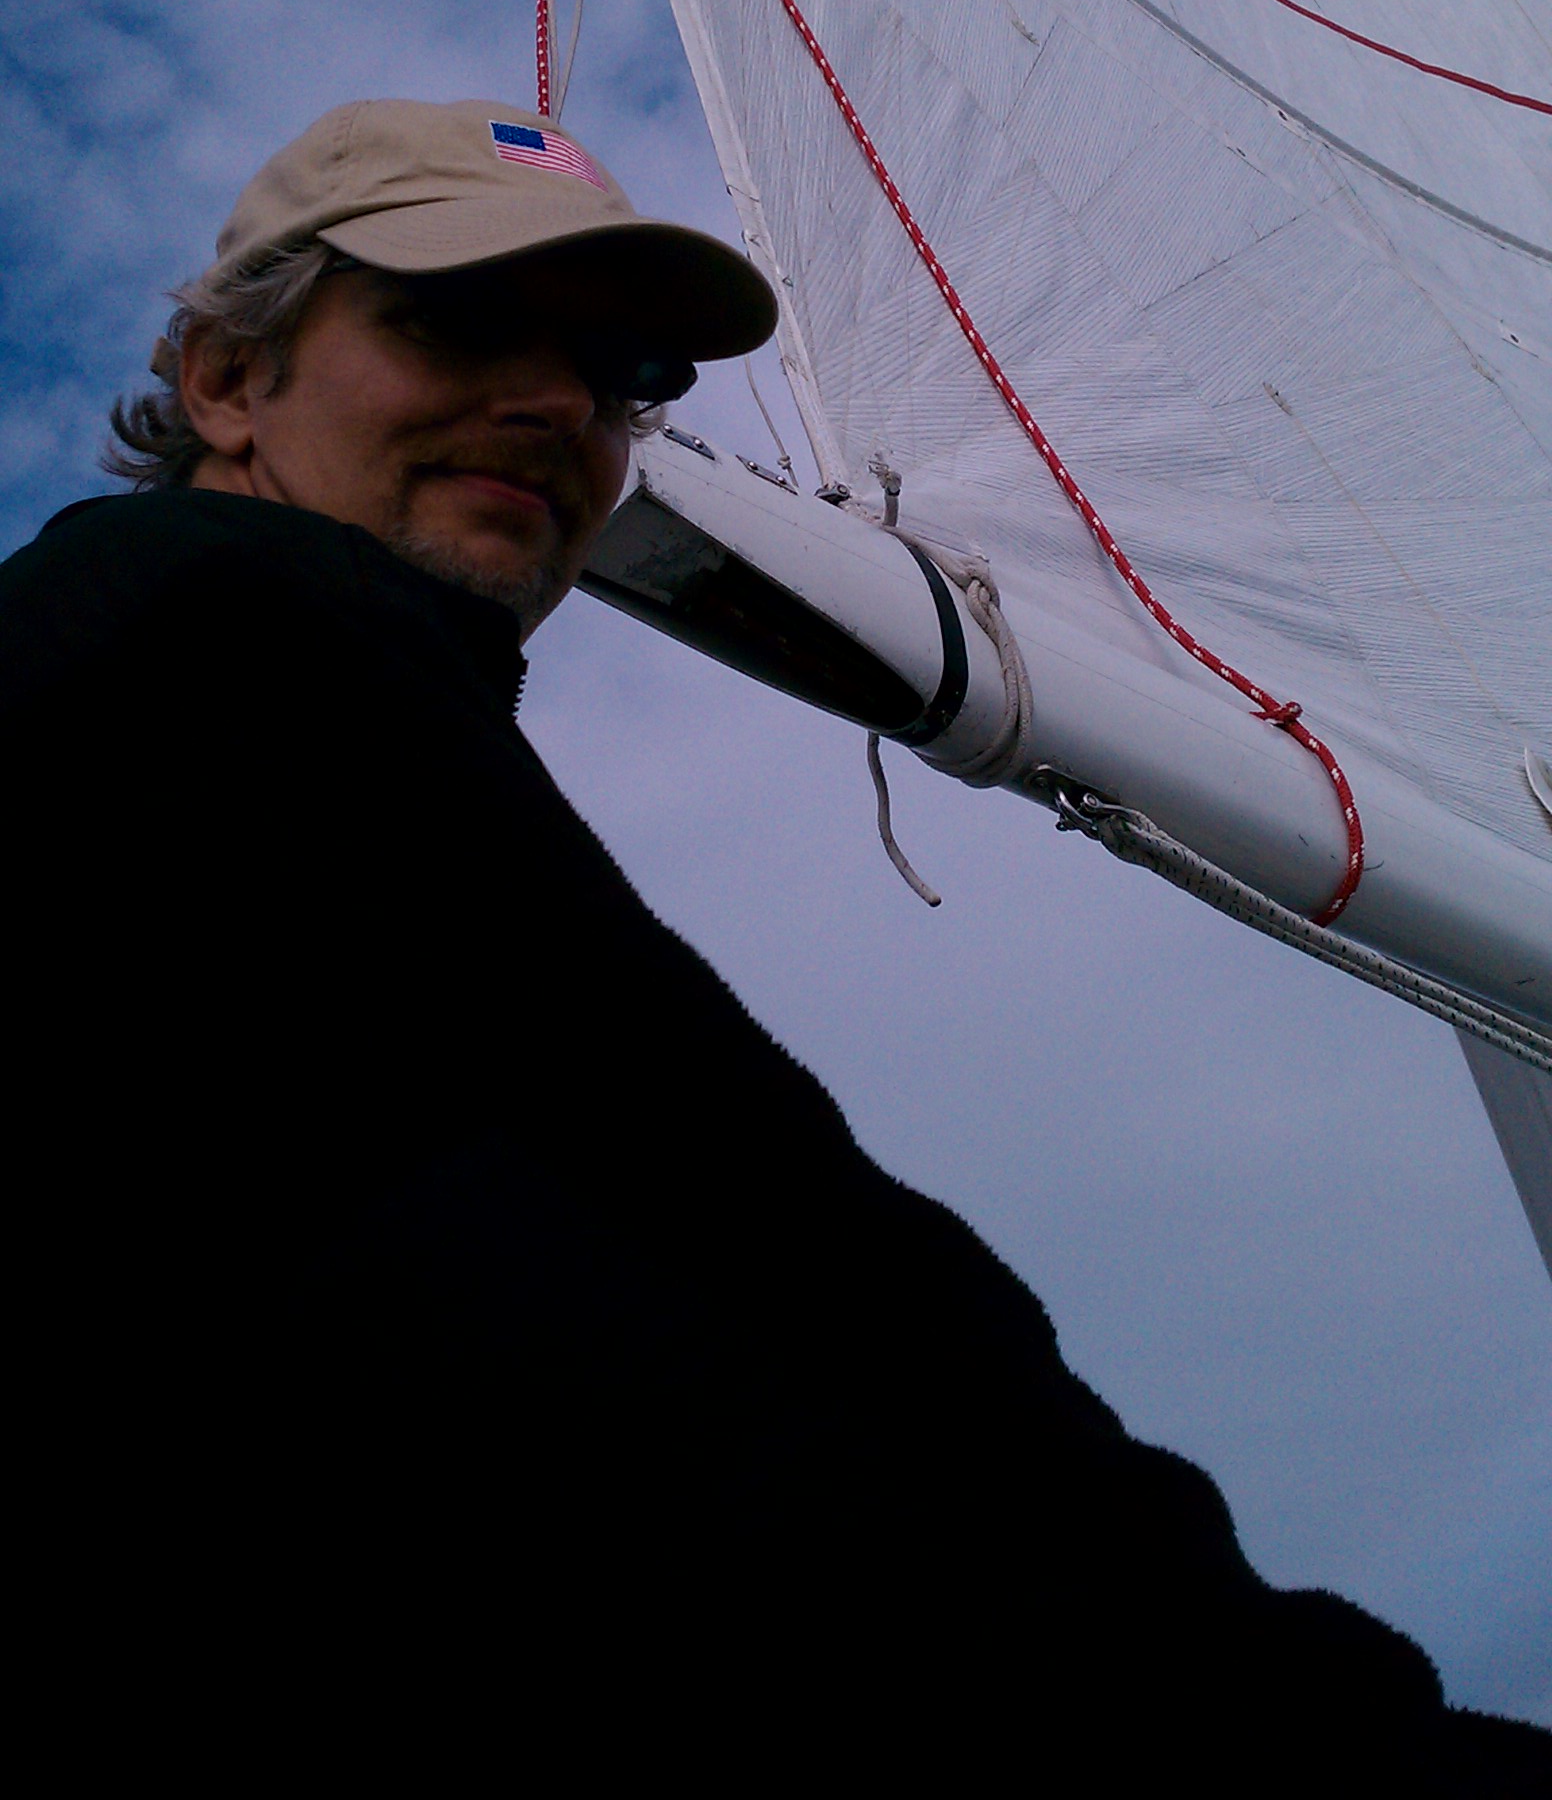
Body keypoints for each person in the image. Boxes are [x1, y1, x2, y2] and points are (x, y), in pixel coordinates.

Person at [3, 97, 1544, 1788]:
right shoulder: (215, 634)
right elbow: (741, 1311)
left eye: (622, 373)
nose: (559, 405)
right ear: (229, 382)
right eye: (455, 320)